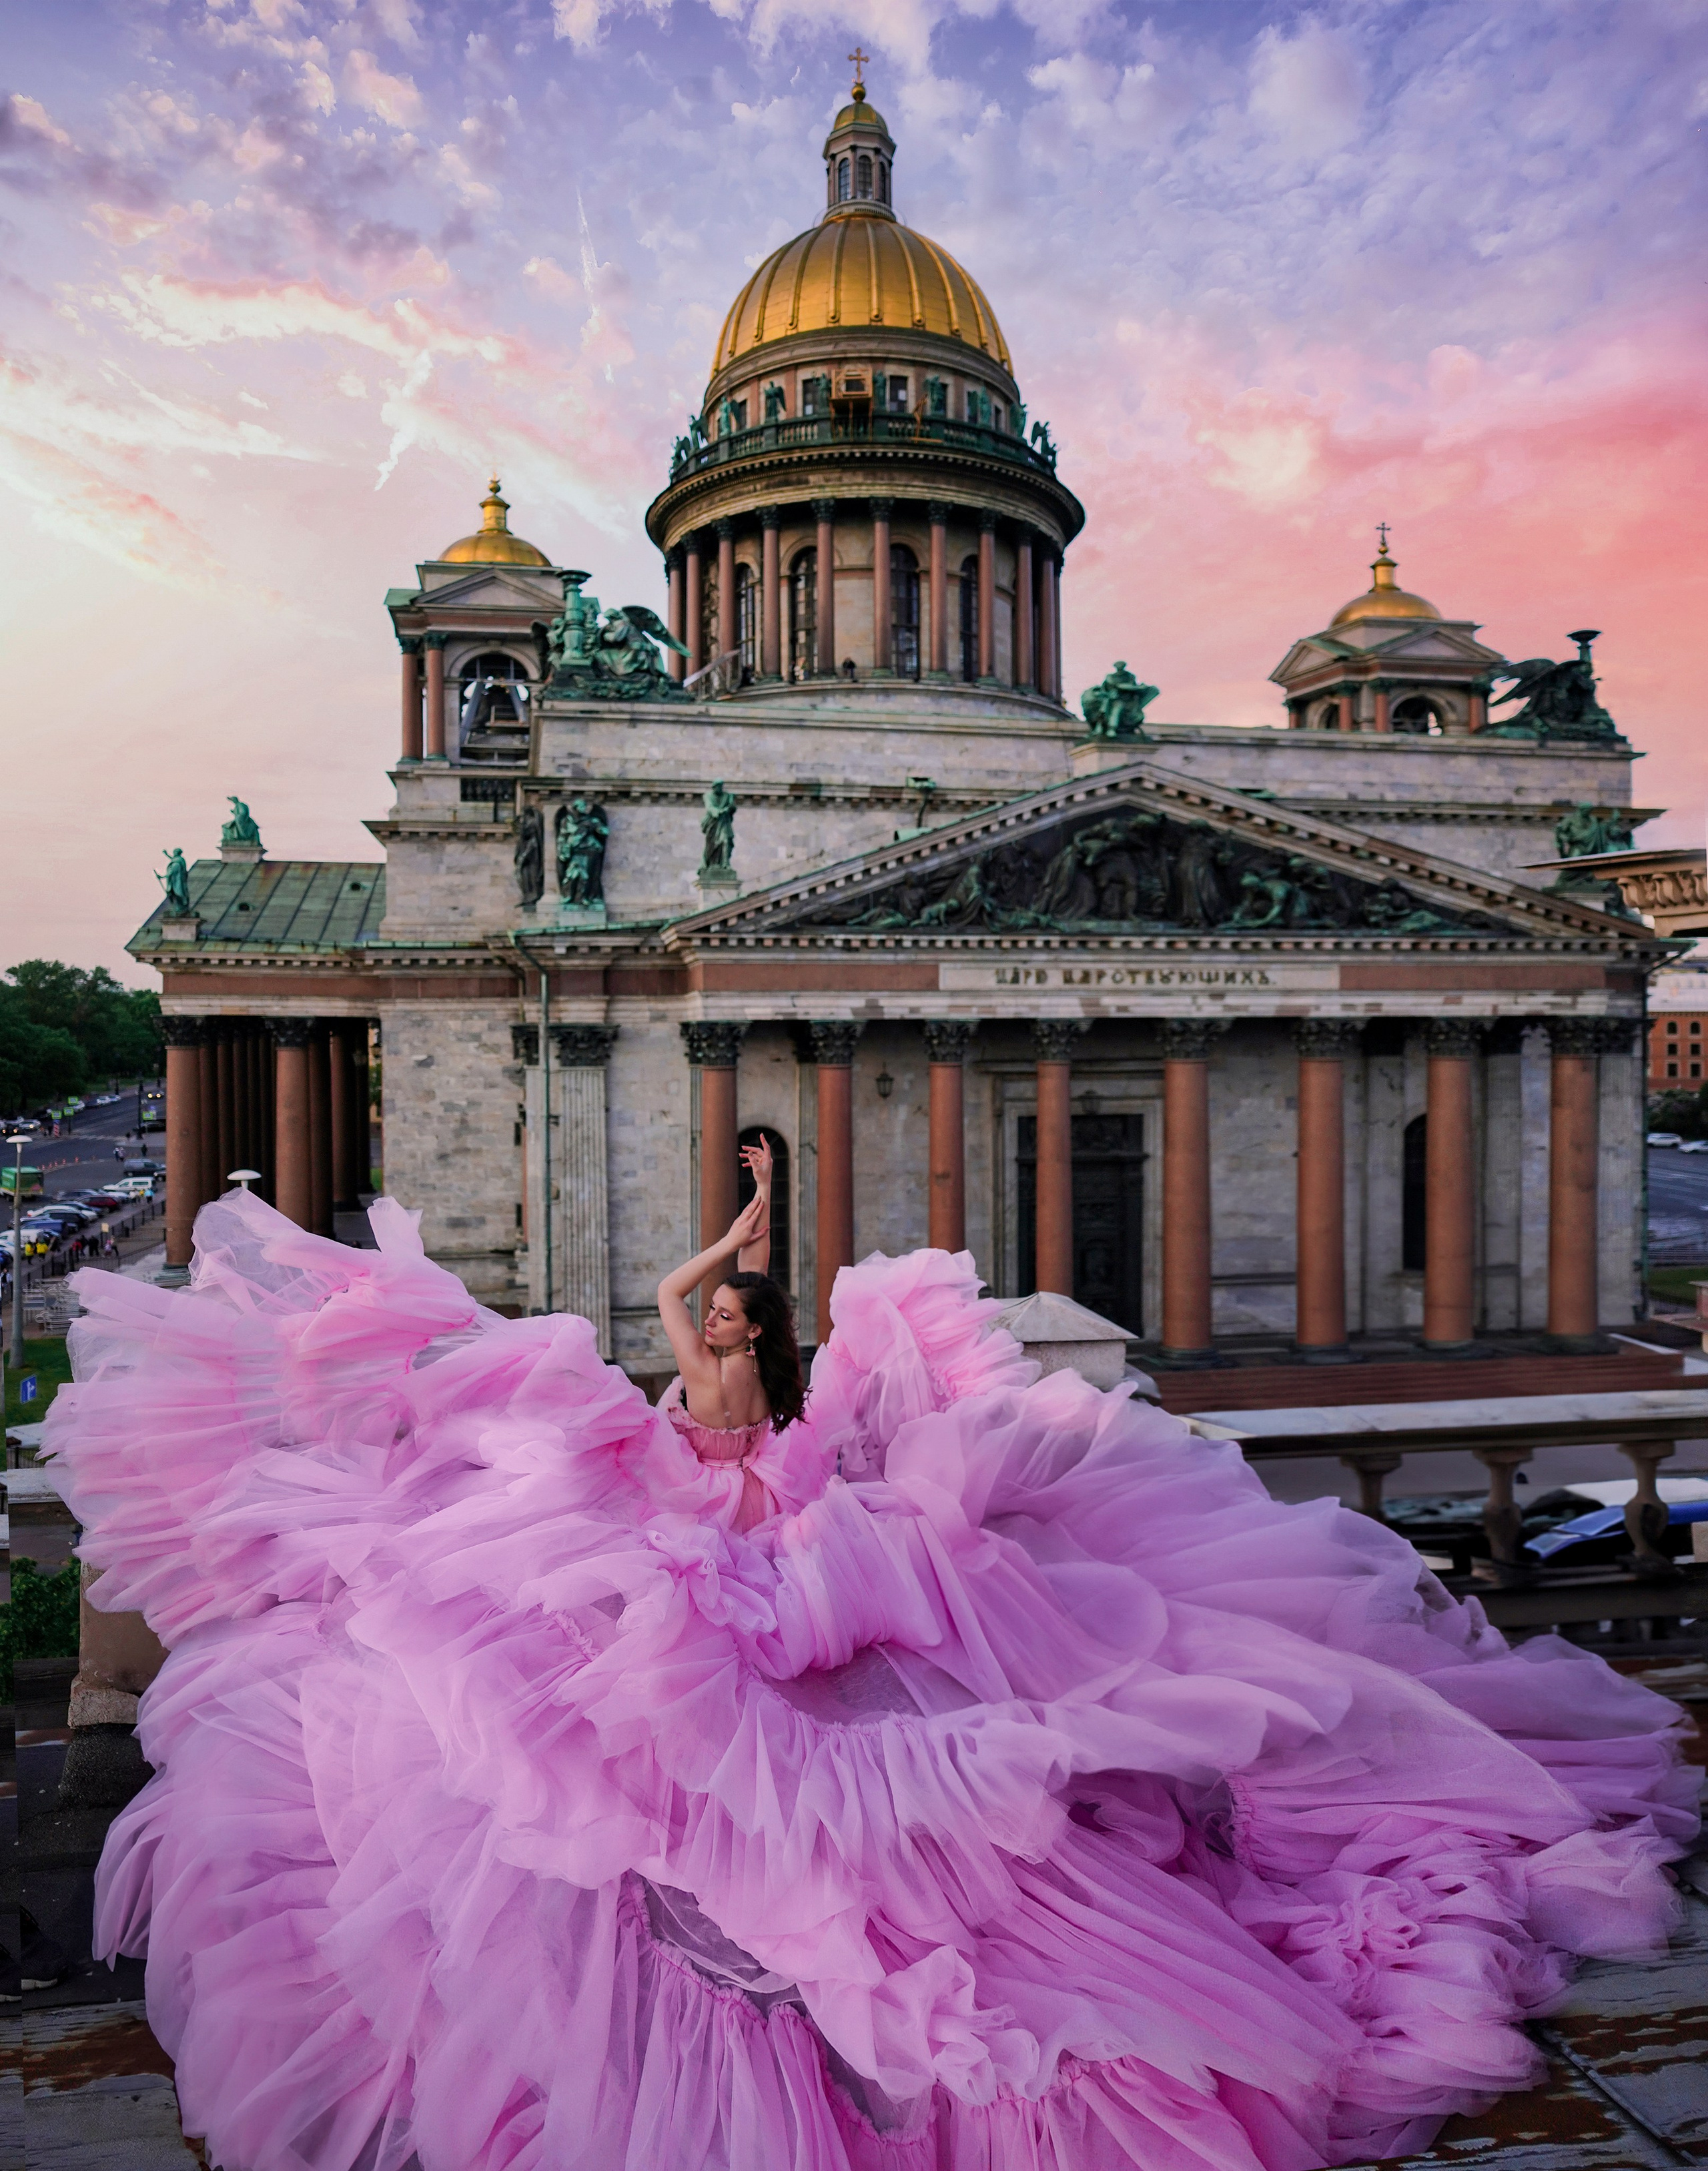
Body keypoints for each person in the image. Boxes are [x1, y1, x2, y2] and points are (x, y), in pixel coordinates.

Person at [40, 1184, 1698, 2171]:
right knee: (656, 1836)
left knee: (881, 1840)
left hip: (780, 1609)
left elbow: (805, 1465)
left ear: (761, 1339)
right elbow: (680, 1323)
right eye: (717, 1318)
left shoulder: (777, 1412)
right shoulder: (696, 1384)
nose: (720, 1329)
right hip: (708, 1609)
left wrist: (774, 1396)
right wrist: (735, 1232)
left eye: (738, 1318)